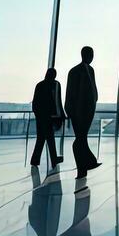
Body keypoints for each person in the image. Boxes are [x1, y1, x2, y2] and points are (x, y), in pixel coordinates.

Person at [64, 46, 102, 175]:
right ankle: (84, 165)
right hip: (78, 110)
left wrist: (94, 99)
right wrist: (69, 110)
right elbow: (70, 92)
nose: (92, 57)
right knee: (80, 138)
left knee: (81, 137)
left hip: (88, 109)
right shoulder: (75, 71)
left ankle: (85, 165)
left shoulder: (90, 70)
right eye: (91, 54)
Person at [30, 68, 64, 167]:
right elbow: (58, 101)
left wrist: (38, 116)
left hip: (42, 117)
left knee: (41, 139)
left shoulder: (40, 85)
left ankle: (35, 160)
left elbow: (35, 103)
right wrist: (61, 114)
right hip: (50, 117)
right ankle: (53, 159)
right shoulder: (56, 85)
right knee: (49, 139)